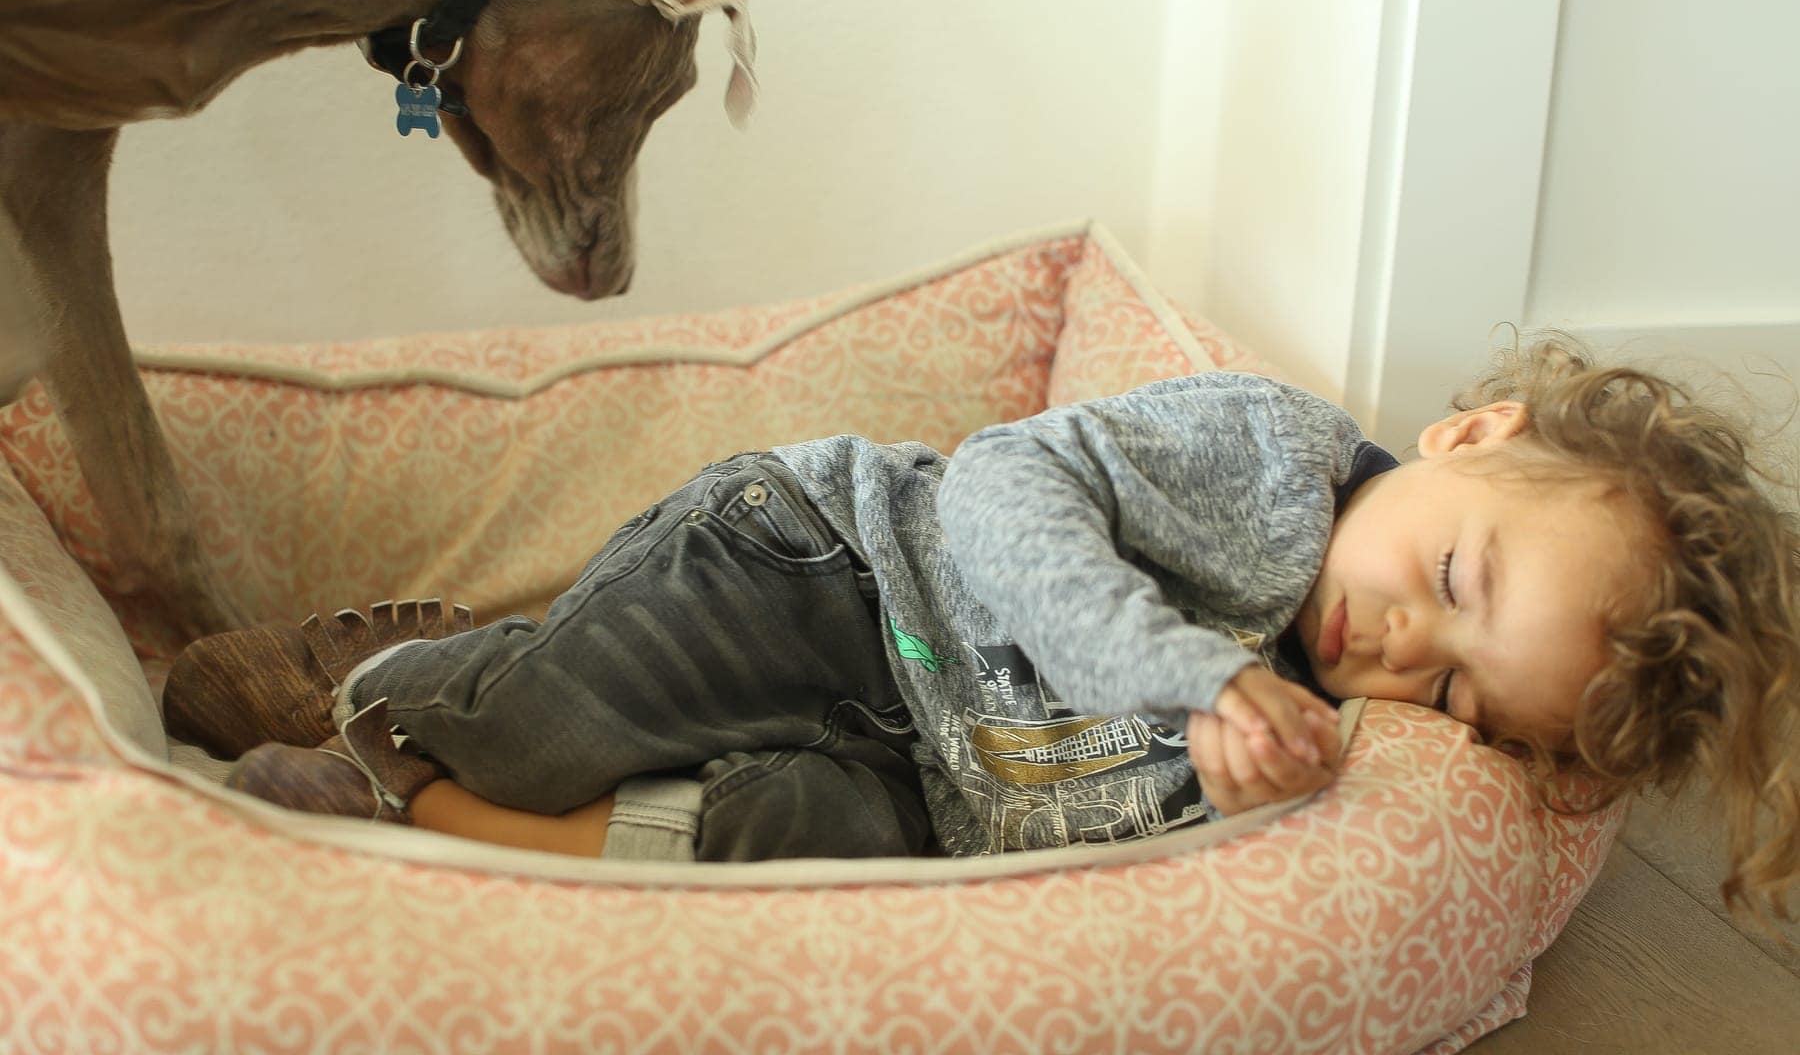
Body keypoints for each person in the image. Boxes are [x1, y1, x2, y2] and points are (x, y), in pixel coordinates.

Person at [161, 334, 1800, 922]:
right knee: (567, 712)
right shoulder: (1272, 455)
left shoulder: (1329, 733)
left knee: (788, 848)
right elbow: (1008, 494)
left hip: (915, 774)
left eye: (1457, 689)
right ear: (1467, 439)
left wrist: (1218, 796)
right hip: (830, 572)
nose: (1391, 652)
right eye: (1451, 584)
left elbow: (1073, 803)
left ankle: (412, 815)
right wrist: (1189, 671)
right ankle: (397, 691)